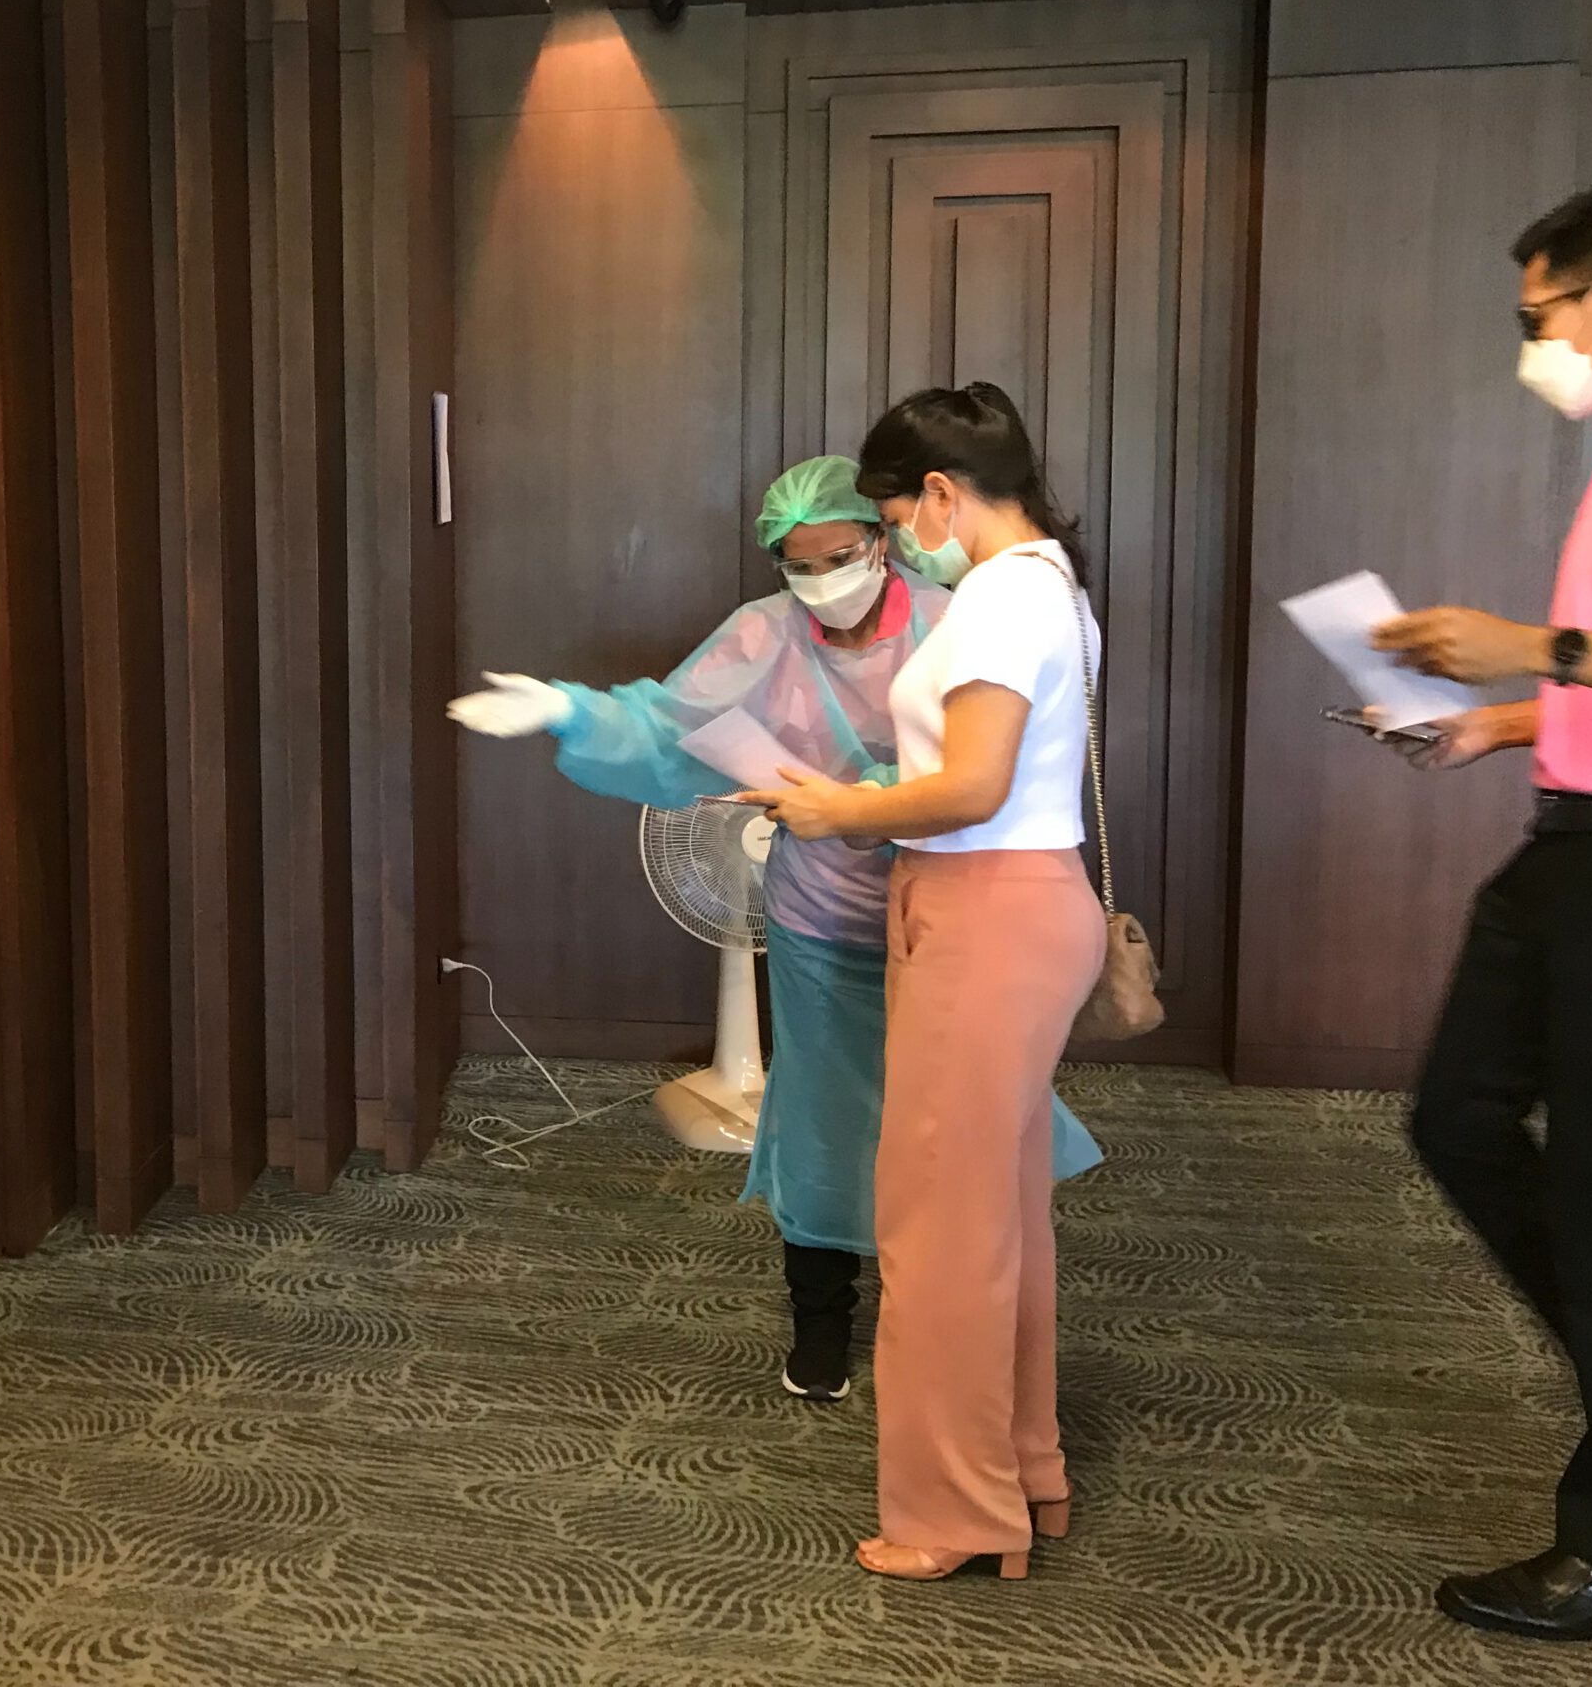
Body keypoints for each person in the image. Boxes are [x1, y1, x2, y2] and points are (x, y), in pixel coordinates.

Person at [447, 455, 1100, 1404]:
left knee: (958, 1133)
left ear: (882, 540)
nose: (823, 582)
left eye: (840, 557)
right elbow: (668, 725)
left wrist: (868, 801)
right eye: (800, 566)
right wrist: (567, 710)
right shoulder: (763, 635)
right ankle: (821, 1319)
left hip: (947, 916)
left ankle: (954, 1324)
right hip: (820, 920)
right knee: (824, 1126)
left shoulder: (957, 619)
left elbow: (989, 762)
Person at [741, 384, 1103, 1584]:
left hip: (985, 910)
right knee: (994, 1214)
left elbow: (972, 787)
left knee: (939, 1228)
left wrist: (837, 812)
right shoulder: (1044, 582)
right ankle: (1020, 1472)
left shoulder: (1001, 596)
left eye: (895, 520)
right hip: (1001, 904)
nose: (901, 545)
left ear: (939, 494)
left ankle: (954, 1512)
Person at [1367, 179, 1592, 1644]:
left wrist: (1532, 647)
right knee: (1457, 1119)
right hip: (1571, 844)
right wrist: (1504, 718)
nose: (1533, 347)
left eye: (1542, 317)